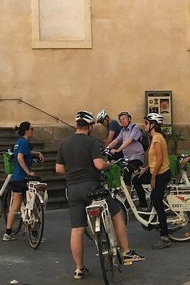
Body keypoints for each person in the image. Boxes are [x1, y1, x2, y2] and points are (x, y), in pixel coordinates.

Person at [55, 110, 144, 280]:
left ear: (76, 125)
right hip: (92, 187)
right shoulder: (91, 142)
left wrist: (73, 172)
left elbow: (59, 169)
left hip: (73, 189)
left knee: (77, 229)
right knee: (117, 213)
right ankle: (126, 252)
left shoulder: (64, 144)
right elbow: (98, 164)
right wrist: (108, 165)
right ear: (89, 127)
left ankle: (79, 269)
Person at [3, 121, 44, 241]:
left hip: (16, 178)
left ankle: (8, 232)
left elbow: (21, 153)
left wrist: (36, 153)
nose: (33, 130)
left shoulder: (19, 142)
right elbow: (20, 157)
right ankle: (34, 233)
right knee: (33, 205)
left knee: (14, 206)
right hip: (23, 178)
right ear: (26, 130)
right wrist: (28, 172)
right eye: (31, 129)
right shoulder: (25, 143)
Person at [108, 111, 148, 210]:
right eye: (120, 120)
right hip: (127, 159)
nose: (122, 121)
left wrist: (118, 150)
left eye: (124, 119)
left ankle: (128, 201)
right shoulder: (122, 131)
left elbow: (129, 141)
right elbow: (116, 140)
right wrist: (107, 148)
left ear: (129, 119)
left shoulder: (136, 128)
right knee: (133, 180)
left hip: (136, 158)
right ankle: (139, 202)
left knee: (127, 173)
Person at [144, 112, 172, 249]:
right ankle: (153, 220)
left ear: (152, 125)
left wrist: (153, 177)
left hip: (161, 173)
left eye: (146, 123)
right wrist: (146, 169)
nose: (144, 125)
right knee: (138, 180)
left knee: (157, 201)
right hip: (157, 171)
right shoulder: (156, 137)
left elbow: (160, 159)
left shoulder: (156, 138)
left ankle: (165, 236)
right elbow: (154, 159)